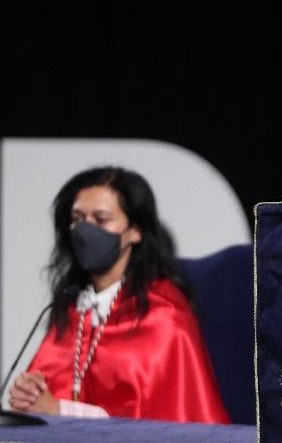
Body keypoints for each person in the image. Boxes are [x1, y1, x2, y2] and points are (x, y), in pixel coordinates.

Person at [6, 166, 231, 423]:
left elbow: (156, 426)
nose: (85, 230)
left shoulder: (163, 316)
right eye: (78, 219)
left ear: (135, 231)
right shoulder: (74, 307)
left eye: (101, 220)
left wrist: (59, 412)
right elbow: (47, 400)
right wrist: (30, 397)